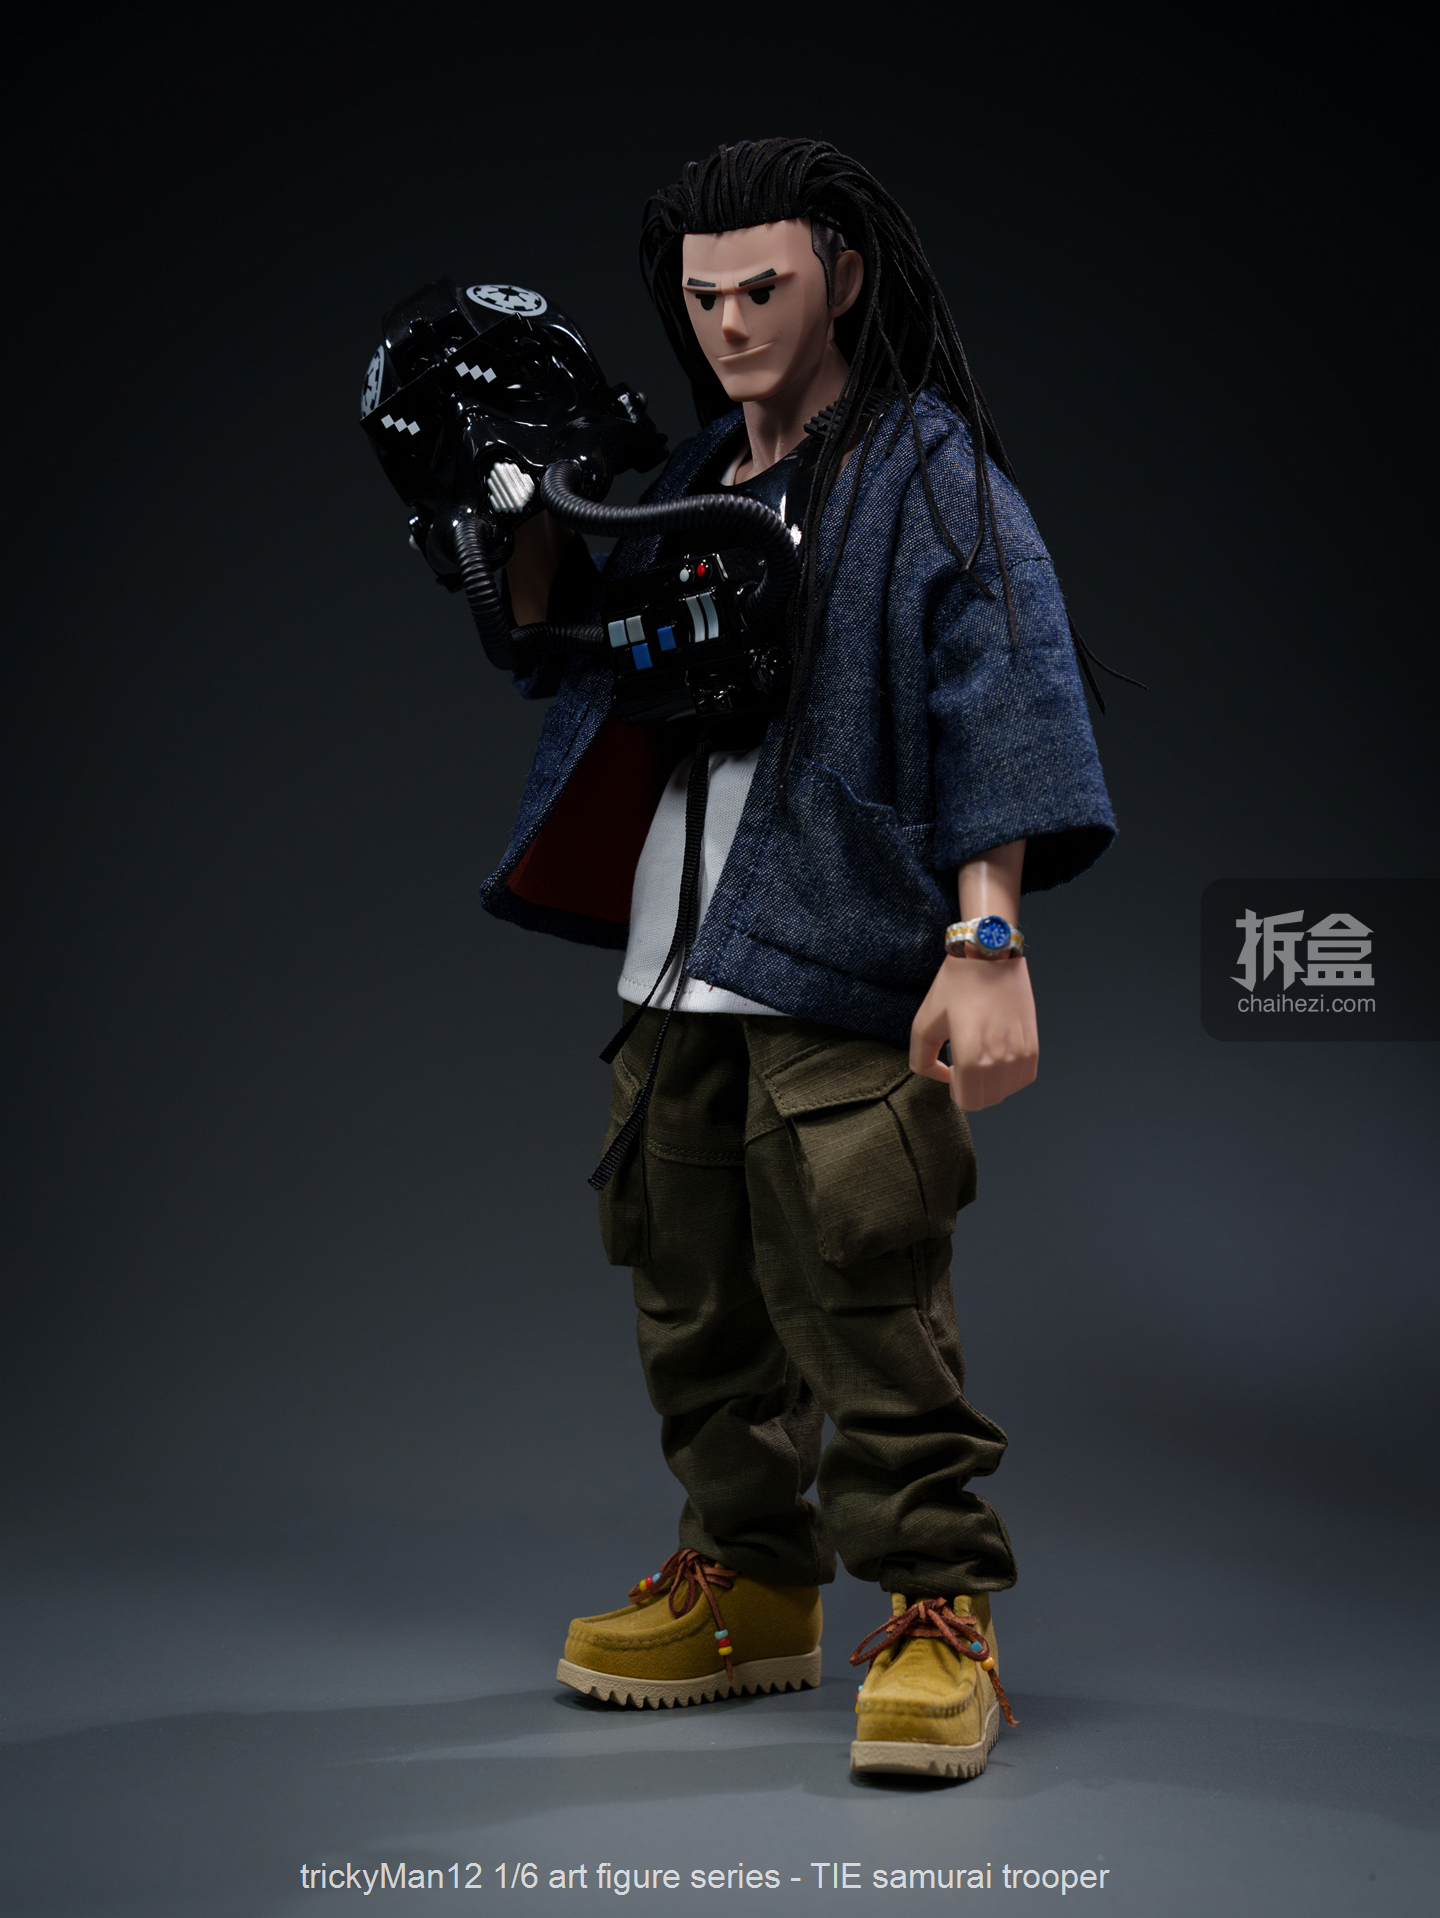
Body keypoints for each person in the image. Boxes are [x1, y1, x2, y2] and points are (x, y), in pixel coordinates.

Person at [482, 138, 1115, 1779]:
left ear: (841, 269)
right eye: (702, 297)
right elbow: (580, 658)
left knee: (864, 1288)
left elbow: (1004, 691)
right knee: (690, 1291)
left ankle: (939, 1607)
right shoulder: (695, 471)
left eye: (761, 287)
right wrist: (515, 522)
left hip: (835, 946)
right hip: (676, 959)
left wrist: (987, 935)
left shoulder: (924, 473)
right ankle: (751, 1580)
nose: (730, 324)